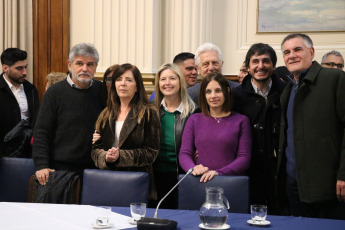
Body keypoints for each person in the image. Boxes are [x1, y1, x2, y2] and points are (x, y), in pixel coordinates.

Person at [278, 33, 345, 219]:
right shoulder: (289, 89)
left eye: (297, 49)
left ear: (312, 52)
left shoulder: (335, 79)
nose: (291, 55)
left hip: (328, 186)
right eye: (286, 52)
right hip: (294, 185)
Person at [33, 43, 104, 185]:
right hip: (60, 168)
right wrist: (42, 165)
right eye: (79, 63)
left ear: (96, 67)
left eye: (90, 64)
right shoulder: (54, 93)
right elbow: (41, 131)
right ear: (69, 65)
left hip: (95, 167)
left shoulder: (102, 90)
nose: (85, 69)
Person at [91, 63, 160, 201]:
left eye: (128, 80)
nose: (123, 84)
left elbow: (151, 152)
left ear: (137, 87)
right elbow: (95, 150)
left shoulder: (148, 113)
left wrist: (120, 156)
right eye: (119, 79)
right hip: (108, 180)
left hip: (137, 181)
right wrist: (106, 157)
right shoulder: (105, 114)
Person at [232, 43, 286, 214]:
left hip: (279, 172)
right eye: (255, 61)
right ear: (248, 67)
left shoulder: (287, 92)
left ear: (273, 66)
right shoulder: (235, 96)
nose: (260, 66)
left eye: (266, 61)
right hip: (247, 171)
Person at [179, 73, 251, 182]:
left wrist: (219, 173)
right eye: (208, 92)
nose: (213, 96)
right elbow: (184, 153)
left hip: (230, 182)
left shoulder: (241, 121)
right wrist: (193, 168)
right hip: (199, 180)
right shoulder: (194, 119)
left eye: (218, 90)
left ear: (227, 90)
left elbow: (244, 158)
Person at [153, 63, 196, 209]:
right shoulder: (151, 111)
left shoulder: (194, 111)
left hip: (184, 174)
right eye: (163, 79)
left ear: (180, 82)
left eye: (172, 78)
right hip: (155, 175)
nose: (167, 83)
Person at [0, 48, 39, 158]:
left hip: (29, 150)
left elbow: (36, 119)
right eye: (19, 68)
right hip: (4, 152)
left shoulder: (30, 89)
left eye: (25, 67)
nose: (24, 72)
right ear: (5, 68)